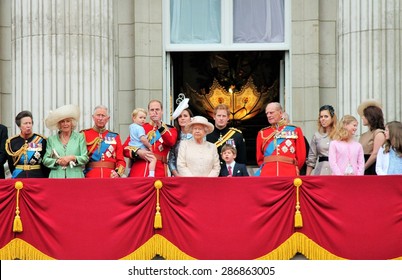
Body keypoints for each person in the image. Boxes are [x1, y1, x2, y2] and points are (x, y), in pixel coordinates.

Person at [123, 100, 178, 177]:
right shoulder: (140, 128)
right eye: (152, 110)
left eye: (157, 110)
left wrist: (159, 124)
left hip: (159, 171)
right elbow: (125, 148)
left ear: (162, 111)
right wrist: (138, 152)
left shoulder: (170, 129)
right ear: (148, 112)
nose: (154, 112)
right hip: (139, 170)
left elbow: (171, 142)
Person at [255, 102, 306, 176]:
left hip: (289, 172)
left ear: (280, 113)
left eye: (271, 112)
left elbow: (301, 157)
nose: (269, 115)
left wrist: (294, 169)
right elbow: (259, 159)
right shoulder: (262, 133)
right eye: (267, 113)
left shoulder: (295, 130)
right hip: (267, 173)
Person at [43, 104, 89, 178]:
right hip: (56, 177)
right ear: (59, 124)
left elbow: (85, 158)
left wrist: (72, 158)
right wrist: (57, 162)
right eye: (62, 122)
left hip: (75, 177)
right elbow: (45, 160)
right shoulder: (51, 139)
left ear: (72, 123)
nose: (65, 124)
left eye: (68, 121)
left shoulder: (80, 137)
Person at [81, 105, 126, 178]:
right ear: (93, 117)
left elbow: (121, 160)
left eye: (103, 116)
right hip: (90, 176)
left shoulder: (115, 136)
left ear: (108, 119)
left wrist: (118, 173)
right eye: (98, 115)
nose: (100, 118)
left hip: (110, 176)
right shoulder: (84, 134)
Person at [5, 110, 49, 178]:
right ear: (19, 126)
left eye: (30, 123)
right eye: (25, 123)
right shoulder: (12, 142)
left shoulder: (41, 140)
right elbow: (11, 164)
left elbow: (44, 162)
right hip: (18, 176)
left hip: (37, 176)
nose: (28, 126)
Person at [306, 105, 338, 175]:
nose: (323, 119)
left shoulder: (339, 135)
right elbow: (311, 158)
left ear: (332, 118)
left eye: (326, 116)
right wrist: (307, 176)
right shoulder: (316, 136)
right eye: (321, 117)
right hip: (321, 171)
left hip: (336, 171)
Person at [357, 100, 385, 175]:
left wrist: (363, 168)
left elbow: (375, 154)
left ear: (371, 117)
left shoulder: (378, 133)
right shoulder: (363, 135)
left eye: (365, 115)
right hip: (362, 164)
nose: (362, 117)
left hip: (372, 167)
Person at [167, 98, 194, 177]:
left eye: (185, 116)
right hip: (178, 176)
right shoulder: (175, 136)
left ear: (191, 119)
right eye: (180, 116)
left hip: (195, 175)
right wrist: (177, 175)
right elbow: (171, 160)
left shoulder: (197, 136)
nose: (182, 118)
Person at [129, 108, 157, 177]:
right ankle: (151, 174)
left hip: (132, 146)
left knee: (131, 159)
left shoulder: (131, 126)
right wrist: (149, 146)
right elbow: (143, 139)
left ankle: (129, 169)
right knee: (153, 159)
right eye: (140, 117)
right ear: (134, 118)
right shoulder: (140, 128)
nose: (143, 120)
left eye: (144, 118)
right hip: (141, 147)